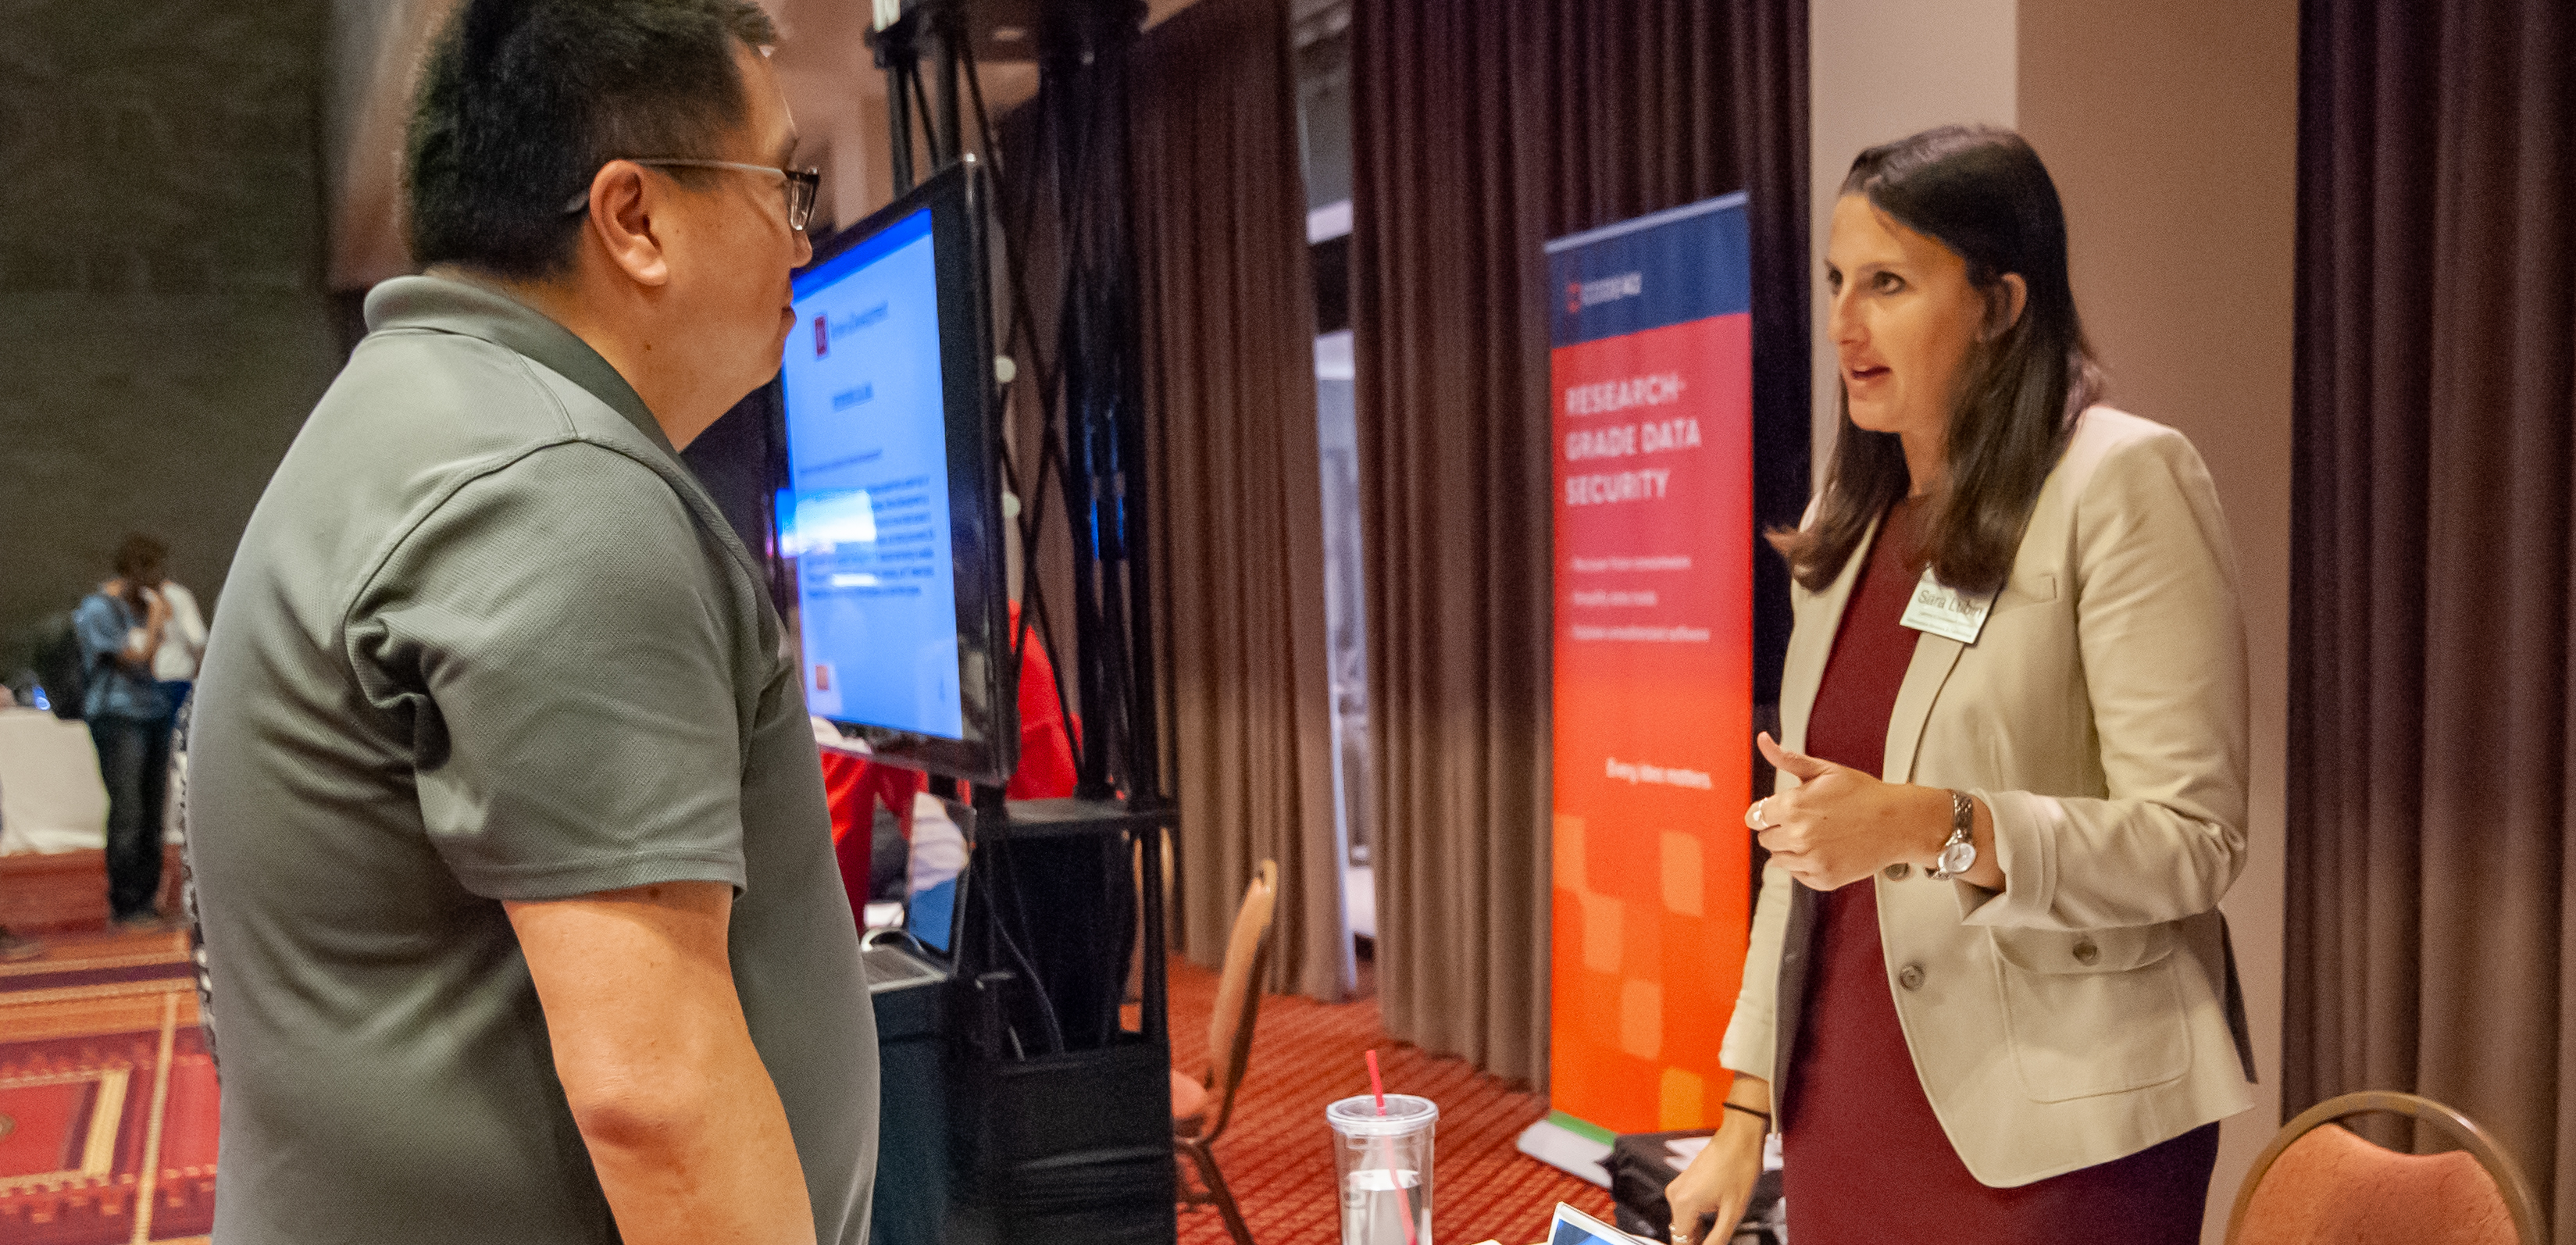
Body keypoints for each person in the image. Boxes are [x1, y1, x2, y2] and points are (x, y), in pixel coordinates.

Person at [185, 2, 871, 1243]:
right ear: (634, 218)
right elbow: (657, 1103)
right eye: (784, 180)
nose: (800, 236)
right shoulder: (554, 484)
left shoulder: (435, 417)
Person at [1664, 127, 2255, 1245]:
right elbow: (1807, 845)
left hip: (2058, 1135)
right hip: (1845, 1101)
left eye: (1887, 284)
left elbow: (2193, 839)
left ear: (1998, 304)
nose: (1843, 323)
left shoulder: (2121, 480)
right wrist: (1746, 1108)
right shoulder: (1852, 523)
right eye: (1836, 282)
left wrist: (1938, 823)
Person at [73, 533, 177, 929]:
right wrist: (155, 621)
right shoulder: (98, 609)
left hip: (152, 712)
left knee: (153, 810)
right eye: (153, 571)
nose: (160, 580)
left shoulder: (139, 608)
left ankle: (147, 901)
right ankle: (125, 904)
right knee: (129, 810)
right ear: (134, 570)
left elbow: (155, 663)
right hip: (118, 717)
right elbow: (133, 659)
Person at [147, 561, 207, 719]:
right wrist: (199, 670)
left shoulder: (142, 597)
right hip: (179, 674)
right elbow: (198, 638)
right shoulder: (180, 595)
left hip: (153, 679)